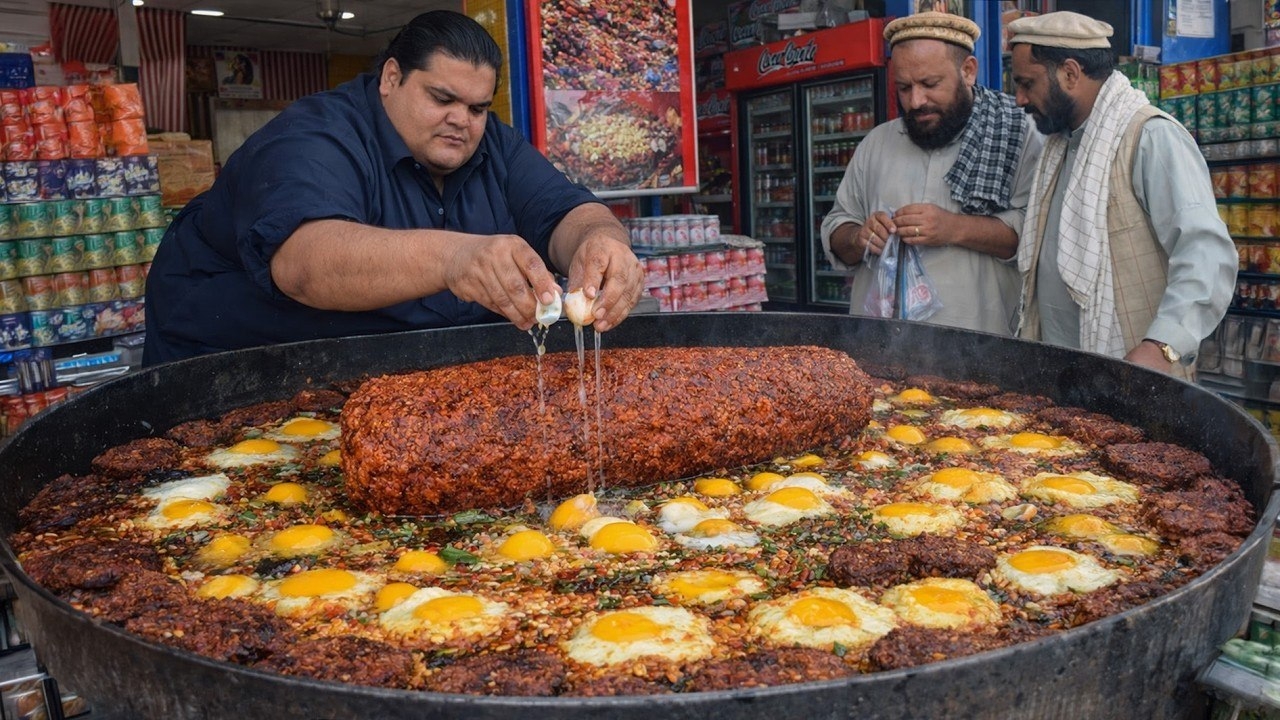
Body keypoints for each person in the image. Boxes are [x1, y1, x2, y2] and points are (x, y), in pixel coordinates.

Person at [144, 10, 644, 364]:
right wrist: (456, 260)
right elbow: (305, 264)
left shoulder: (492, 141)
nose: (461, 121)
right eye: (441, 98)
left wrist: (601, 242)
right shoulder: (315, 135)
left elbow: (566, 211)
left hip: (394, 373)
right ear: (390, 78)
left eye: (476, 107)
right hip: (240, 372)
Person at [1007, 12, 1236, 378]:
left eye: (1026, 83)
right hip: (1059, 380)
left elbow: (1206, 254)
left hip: (1140, 381)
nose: (1019, 99)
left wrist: (1163, 346)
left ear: (1069, 73)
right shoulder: (1057, 147)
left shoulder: (1150, 137)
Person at [820, 12, 1043, 334]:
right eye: (904, 87)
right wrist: (859, 237)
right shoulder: (876, 143)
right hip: (882, 345)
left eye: (930, 84)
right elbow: (837, 229)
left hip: (980, 346)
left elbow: (1035, 236)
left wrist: (954, 228)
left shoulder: (1020, 135)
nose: (915, 101)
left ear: (968, 71)